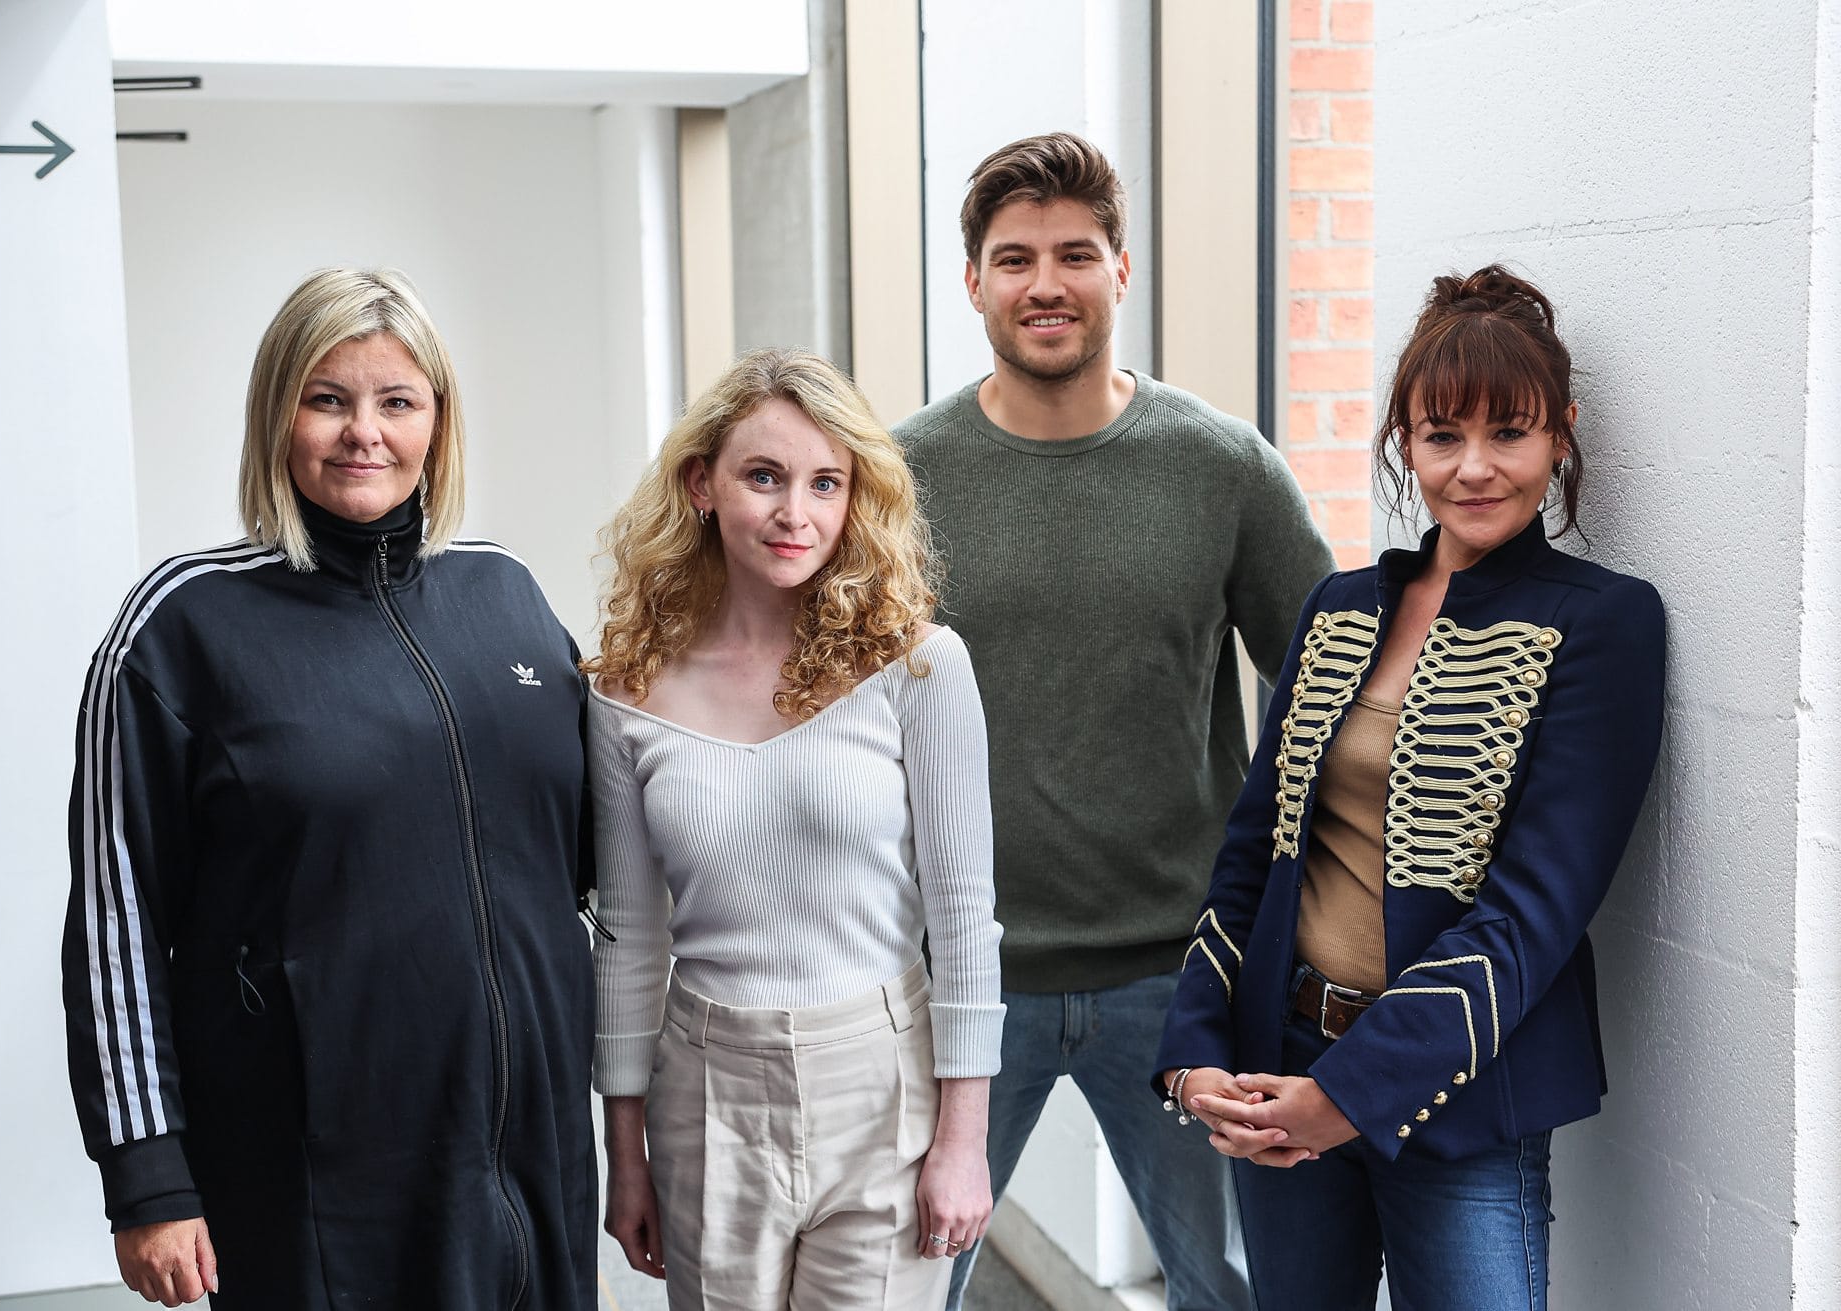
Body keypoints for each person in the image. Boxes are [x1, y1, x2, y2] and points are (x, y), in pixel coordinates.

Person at [60, 268, 598, 1309]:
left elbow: (592, 867)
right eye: (328, 399)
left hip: (530, 1150)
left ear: (438, 423)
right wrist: (148, 1181)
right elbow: (116, 929)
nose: (365, 433)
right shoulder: (183, 626)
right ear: (278, 416)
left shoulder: (508, 596)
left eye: (397, 402)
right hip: (312, 1166)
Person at [1156, 266, 1667, 1310]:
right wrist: (1195, 1056)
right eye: (1441, 436)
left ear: (1560, 434)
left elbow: (1531, 915)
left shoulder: (1604, 623)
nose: (1473, 468)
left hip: (1461, 1096)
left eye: (1509, 433)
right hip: (1276, 1069)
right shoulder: (1338, 609)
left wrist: (1344, 1097)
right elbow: (1254, 850)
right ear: (1403, 442)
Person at [894, 131, 1333, 1310]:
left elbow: (1334, 690)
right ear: (974, 281)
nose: (1047, 282)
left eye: (1075, 254)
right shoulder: (895, 479)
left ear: (1120, 272)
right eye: (1015, 256)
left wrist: (1293, 913)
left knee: (1225, 1286)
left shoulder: (1222, 467)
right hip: (966, 983)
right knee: (906, 1285)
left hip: (1184, 978)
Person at [586, 347, 1005, 1310]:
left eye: (827, 482)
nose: (795, 513)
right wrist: (628, 1150)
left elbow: (964, 912)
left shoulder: (921, 668)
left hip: (883, 1085)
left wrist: (963, 1138)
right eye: (764, 476)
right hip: (703, 1088)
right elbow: (628, 935)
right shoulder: (626, 691)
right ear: (702, 483)